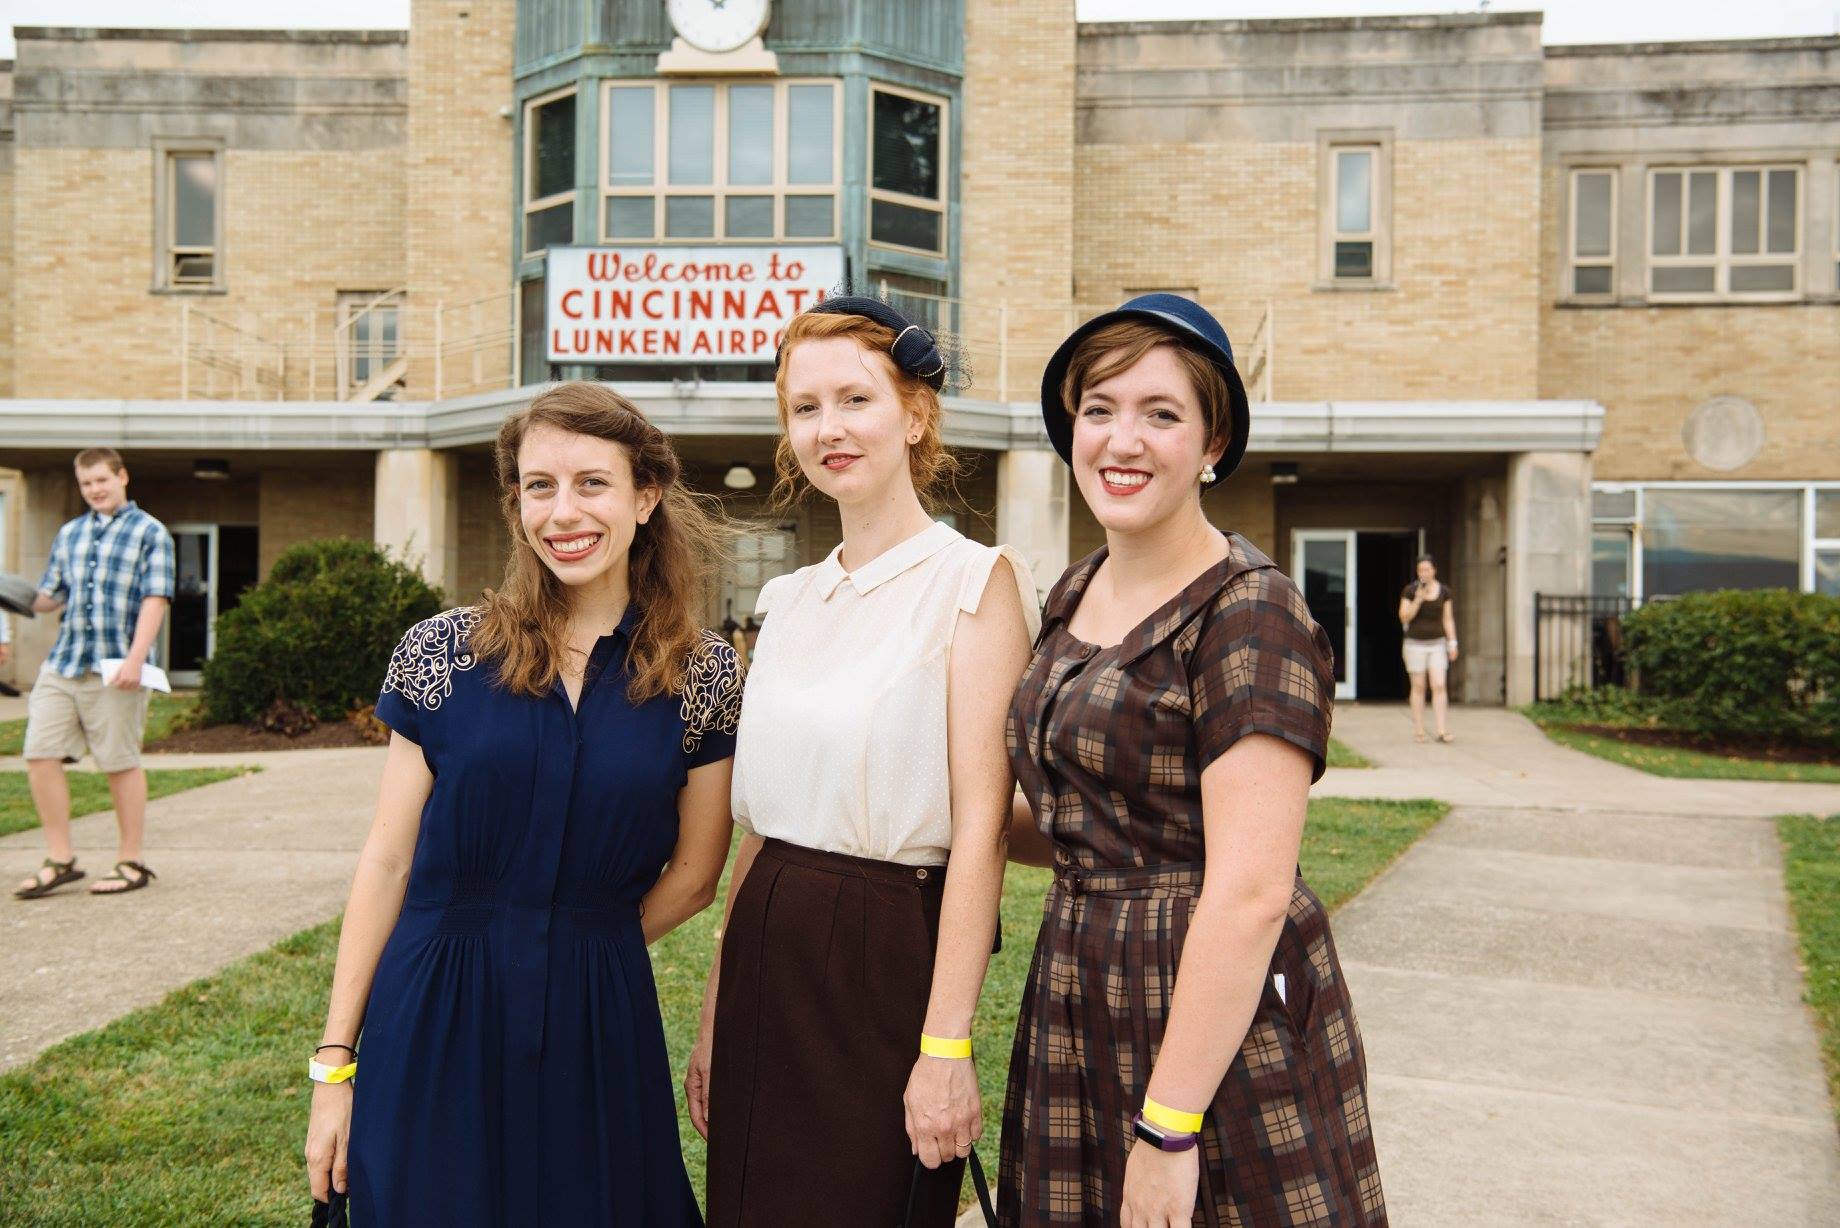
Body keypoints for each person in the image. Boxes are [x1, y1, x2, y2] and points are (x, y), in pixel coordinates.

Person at [302, 384, 741, 1226]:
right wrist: (334, 1067)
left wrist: (572, 936)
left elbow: (695, 874)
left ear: (645, 497)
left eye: (592, 483)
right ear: (515, 505)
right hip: (431, 1005)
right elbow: (388, 860)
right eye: (539, 486)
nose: (562, 512)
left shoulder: (704, 675)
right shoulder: (440, 652)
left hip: (596, 1009)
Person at [999, 295, 1386, 1226]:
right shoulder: (1071, 595)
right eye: (1099, 409)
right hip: (1077, 985)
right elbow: (1085, 825)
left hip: (1215, 1011)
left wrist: (1172, 1126)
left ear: (1213, 444)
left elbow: (1250, 891)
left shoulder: (1249, 611)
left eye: (1160, 414)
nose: (1121, 440)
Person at [690, 298, 1037, 1227]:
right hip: (770, 944)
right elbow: (761, 824)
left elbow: (980, 836)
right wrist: (719, 1008)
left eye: (854, 398)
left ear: (914, 413)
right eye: (804, 408)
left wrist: (947, 1046)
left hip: (886, 956)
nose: (827, 429)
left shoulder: (975, 583)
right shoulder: (790, 598)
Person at [14, 447, 174, 900]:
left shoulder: (151, 533)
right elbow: (50, 597)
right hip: (63, 663)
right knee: (39, 753)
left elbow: (155, 598)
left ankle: (131, 861)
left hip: (116, 667)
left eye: (102, 480)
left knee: (119, 763)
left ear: (122, 477)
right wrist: (13, 594)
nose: (95, 490)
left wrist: (135, 658)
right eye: (87, 484)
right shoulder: (70, 534)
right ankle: (61, 859)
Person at [1398, 554, 1458, 744]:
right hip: (1415, 645)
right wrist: (1418, 600)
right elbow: (1404, 617)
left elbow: (1447, 619)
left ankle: (1441, 729)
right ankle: (1419, 730)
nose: (1424, 573)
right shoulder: (1410, 590)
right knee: (1419, 687)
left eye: (1427, 569)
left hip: (1437, 644)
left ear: (1434, 570)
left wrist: (1452, 642)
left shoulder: (1444, 592)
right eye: (1420, 570)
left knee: (1439, 684)